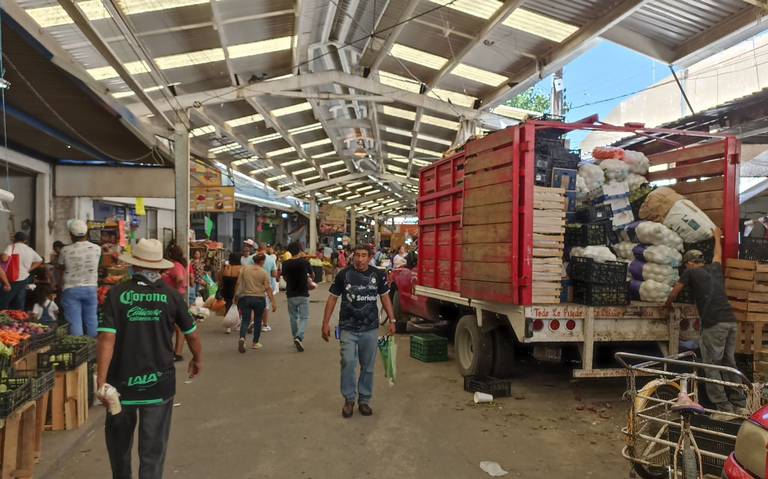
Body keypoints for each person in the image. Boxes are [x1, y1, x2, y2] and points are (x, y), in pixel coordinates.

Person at [96, 238, 202, 479]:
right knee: (153, 448)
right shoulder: (172, 296)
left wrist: (101, 381)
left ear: (134, 265)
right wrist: (198, 359)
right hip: (159, 384)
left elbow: (106, 339)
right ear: (160, 267)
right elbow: (192, 335)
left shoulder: (117, 293)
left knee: (119, 446)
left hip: (121, 385)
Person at [665, 227, 746, 419]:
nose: (686, 268)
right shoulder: (715, 269)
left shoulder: (691, 273)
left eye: (686, 265)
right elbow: (717, 255)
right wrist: (717, 237)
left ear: (691, 263)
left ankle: (724, 409)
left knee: (711, 365)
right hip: (730, 322)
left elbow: (675, 291)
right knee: (728, 363)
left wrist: (666, 305)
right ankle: (740, 405)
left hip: (714, 324)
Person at [322, 244, 396, 418]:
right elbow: (332, 298)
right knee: (348, 362)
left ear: (370, 257)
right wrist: (325, 323)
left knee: (368, 367)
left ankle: (364, 400)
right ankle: (349, 399)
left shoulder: (377, 275)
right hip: (348, 327)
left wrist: (392, 320)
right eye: (357, 255)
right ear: (353, 256)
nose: (360, 259)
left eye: (364, 255)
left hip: (370, 328)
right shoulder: (344, 275)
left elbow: (385, 297)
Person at [58, 221, 100, 336]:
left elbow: (60, 267)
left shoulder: (65, 250)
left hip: (71, 289)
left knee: (74, 322)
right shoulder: (97, 248)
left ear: (71, 235)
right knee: (92, 320)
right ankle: (92, 347)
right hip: (91, 288)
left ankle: (78, 347)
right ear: (86, 233)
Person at [234, 253, 276, 353]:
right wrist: (273, 301)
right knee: (257, 320)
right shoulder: (264, 272)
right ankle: (255, 342)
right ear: (261, 261)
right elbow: (268, 288)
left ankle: (242, 338)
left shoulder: (244, 269)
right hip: (259, 298)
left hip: (245, 297)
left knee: (245, 320)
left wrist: (235, 296)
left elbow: (238, 283)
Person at [281, 242, 313, 352]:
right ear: (299, 250)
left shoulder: (285, 264)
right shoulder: (304, 262)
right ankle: (299, 337)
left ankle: (295, 337)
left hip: (290, 294)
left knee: (293, 317)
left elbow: (284, 278)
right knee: (304, 317)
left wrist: (290, 282)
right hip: (303, 293)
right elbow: (312, 275)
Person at [0, 232, 43, 310]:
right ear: (25, 240)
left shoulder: (11, 247)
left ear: (14, 239)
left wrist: (2, 254)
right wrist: (29, 269)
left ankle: (4, 319)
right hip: (24, 279)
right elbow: (39, 260)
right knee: (19, 302)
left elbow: (4, 258)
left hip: (11, 279)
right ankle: (19, 320)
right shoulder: (30, 250)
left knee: (3, 302)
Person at [162, 244, 188, 362]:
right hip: (174, 297)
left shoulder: (175, 266)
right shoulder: (175, 265)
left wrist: (174, 291)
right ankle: (175, 352)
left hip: (174, 298)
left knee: (177, 326)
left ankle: (177, 352)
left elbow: (180, 279)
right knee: (175, 326)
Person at [260, 245, 278, 332]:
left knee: (253, 305)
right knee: (265, 305)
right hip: (267, 285)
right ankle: (265, 325)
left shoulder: (250, 258)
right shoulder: (271, 259)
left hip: (253, 286)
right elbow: (274, 274)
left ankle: (253, 321)